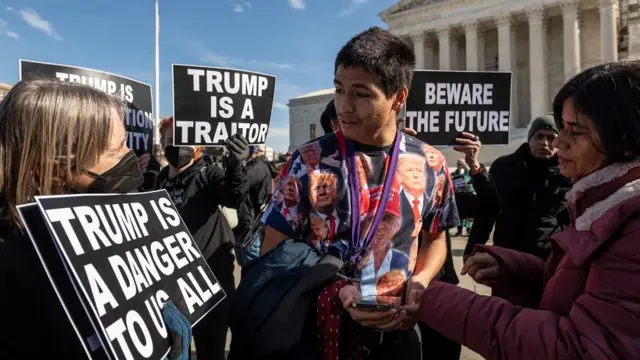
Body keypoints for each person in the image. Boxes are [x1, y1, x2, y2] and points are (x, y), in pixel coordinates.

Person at [415, 60, 640, 360]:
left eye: (576, 131)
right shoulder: (598, 200)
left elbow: (578, 348)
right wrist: (513, 269)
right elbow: (579, 287)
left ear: (623, 140)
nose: (559, 143)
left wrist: (432, 298)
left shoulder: (630, 222)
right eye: (562, 128)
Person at [260, 27, 459, 358]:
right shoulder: (308, 161)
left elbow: (436, 239)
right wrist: (336, 288)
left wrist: (419, 284)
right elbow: (274, 248)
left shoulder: (431, 163)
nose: (344, 106)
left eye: (361, 94)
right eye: (339, 90)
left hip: (398, 335)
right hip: (317, 332)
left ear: (398, 97)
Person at [0, 79, 190, 358]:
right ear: (53, 170)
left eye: (126, 143)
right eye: (116, 151)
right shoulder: (14, 270)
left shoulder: (111, 217)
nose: (131, 156)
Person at [156, 116, 249, 360]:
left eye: (184, 141)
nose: (177, 146)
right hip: (174, 281)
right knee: (177, 346)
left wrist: (236, 167)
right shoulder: (161, 178)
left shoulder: (208, 174)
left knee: (211, 348)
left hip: (211, 279)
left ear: (197, 147)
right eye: (170, 140)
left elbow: (233, 196)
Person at [465, 113, 572, 261]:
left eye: (551, 138)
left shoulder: (569, 172)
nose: (545, 143)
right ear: (530, 138)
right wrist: (472, 249)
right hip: (507, 258)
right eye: (539, 136)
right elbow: (487, 213)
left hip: (550, 261)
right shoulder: (504, 168)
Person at [234, 144, 278, 266]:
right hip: (250, 220)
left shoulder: (257, 166)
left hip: (250, 222)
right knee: (246, 262)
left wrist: (235, 165)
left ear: (253, 150)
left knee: (250, 263)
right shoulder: (259, 165)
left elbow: (238, 183)